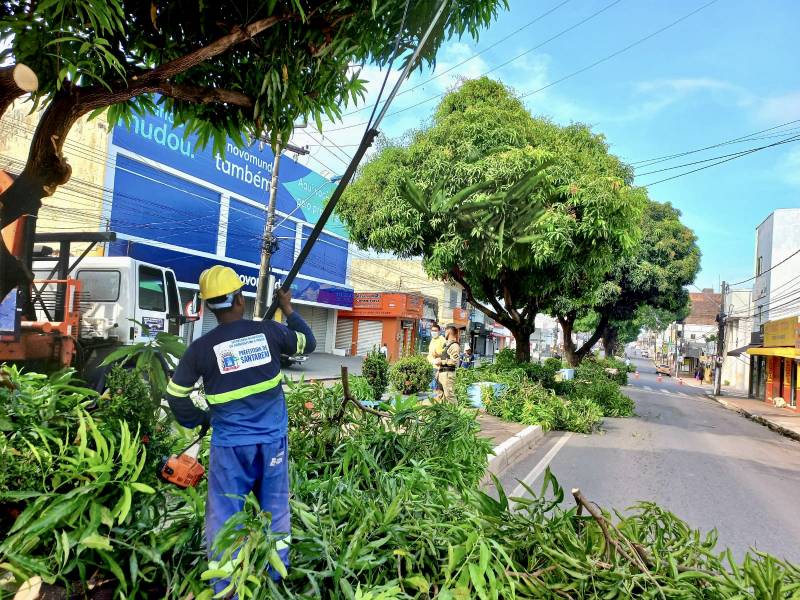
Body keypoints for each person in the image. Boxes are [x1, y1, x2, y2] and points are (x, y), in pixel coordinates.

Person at [164, 265, 315, 593]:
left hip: (230, 448)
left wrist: (200, 419)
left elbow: (175, 396)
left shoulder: (201, 349)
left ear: (207, 306)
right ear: (240, 300)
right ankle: (276, 580)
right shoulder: (270, 333)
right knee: (275, 508)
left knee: (226, 514)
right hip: (272, 443)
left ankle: (225, 587)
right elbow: (308, 341)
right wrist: (287, 308)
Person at [435, 325, 461, 402]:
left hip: (448, 374)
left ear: (449, 332)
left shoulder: (454, 346)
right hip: (442, 373)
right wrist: (438, 371)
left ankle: (455, 413)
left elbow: (454, 362)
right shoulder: (446, 345)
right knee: (440, 396)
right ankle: (442, 413)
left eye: (445, 331)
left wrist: (441, 361)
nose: (444, 333)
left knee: (449, 396)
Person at [427, 323, 445, 396]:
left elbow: (445, 354)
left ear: (439, 331)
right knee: (432, 388)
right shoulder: (432, 340)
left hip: (438, 367)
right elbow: (430, 354)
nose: (433, 332)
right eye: (432, 330)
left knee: (437, 388)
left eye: (435, 330)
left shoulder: (442, 340)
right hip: (432, 366)